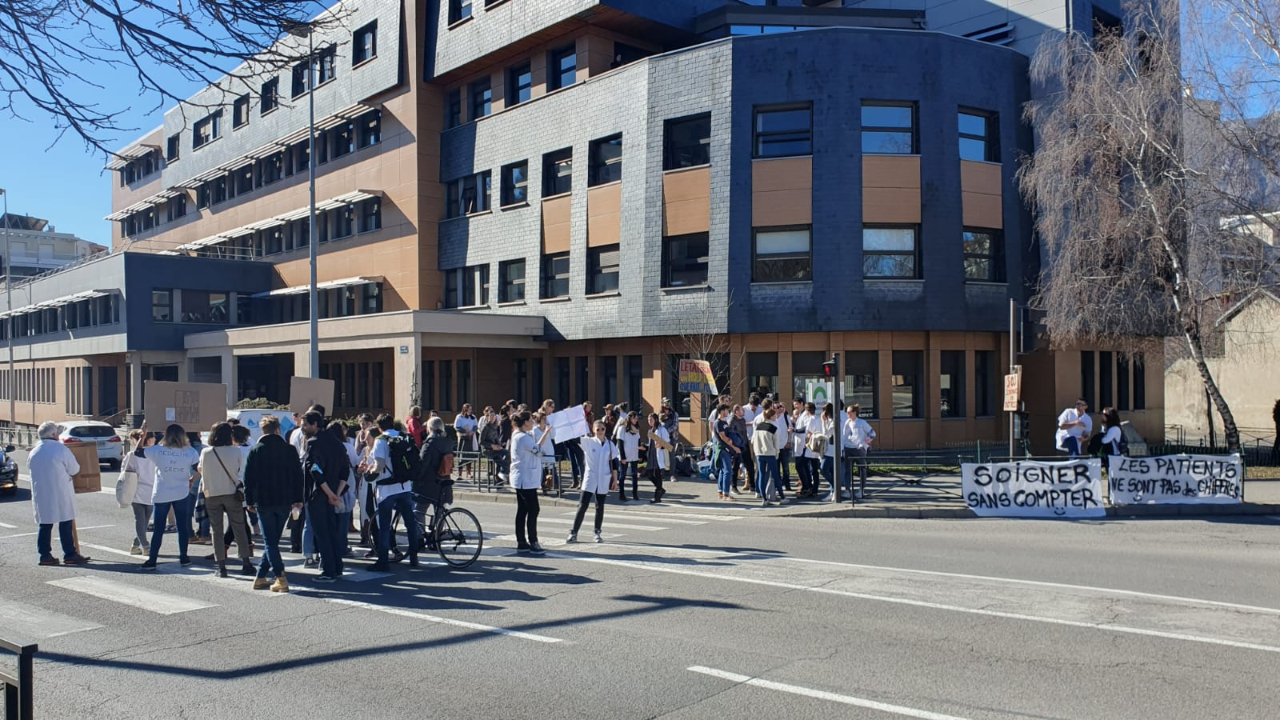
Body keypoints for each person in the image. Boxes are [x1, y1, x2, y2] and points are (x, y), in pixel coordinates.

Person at [244, 415, 303, 592]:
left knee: (270, 540)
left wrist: (249, 500)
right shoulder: (289, 449)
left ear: (262, 430)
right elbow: (297, 476)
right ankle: (261, 576)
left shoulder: (255, 450)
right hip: (285, 499)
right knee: (273, 540)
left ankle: (279, 576)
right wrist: (298, 498)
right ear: (278, 429)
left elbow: (249, 479)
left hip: (263, 500)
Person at [137, 422, 200, 571]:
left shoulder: (158, 450)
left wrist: (143, 435)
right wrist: (192, 480)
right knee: (182, 526)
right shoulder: (190, 451)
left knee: (158, 528)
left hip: (162, 492)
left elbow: (137, 452)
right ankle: (183, 557)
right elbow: (199, 468)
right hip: (181, 492)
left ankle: (152, 559)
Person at [30, 421, 90, 566]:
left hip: (42, 493)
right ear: (54, 435)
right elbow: (74, 469)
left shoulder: (34, 451)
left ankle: (44, 555)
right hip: (60, 491)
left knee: (45, 524)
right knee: (65, 522)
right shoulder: (60, 449)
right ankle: (69, 554)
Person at [303, 412, 352, 581]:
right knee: (332, 531)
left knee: (322, 533)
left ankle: (329, 570)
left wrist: (330, 494)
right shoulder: (337, 443)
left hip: (318, 494)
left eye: (306, 424)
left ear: (315, 424)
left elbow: (315, 470)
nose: (304, 427)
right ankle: (337, 566)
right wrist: (336, 494)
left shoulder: (313, 443)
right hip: (333, 492)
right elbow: (345, 469)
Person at [199, 422, 252, 578]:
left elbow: (202, 469)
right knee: (239, 527)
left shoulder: (206, 452)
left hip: (212, 493)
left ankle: (221, 566)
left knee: (216, 530)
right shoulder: (236, 451)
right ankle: (246, 563)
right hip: (231, 492)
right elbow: (239, 470)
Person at [369, 414, 420, 572]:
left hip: (387, 489)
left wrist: (368, 473)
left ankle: (383, 560)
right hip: (405, 486)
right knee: (410, 523)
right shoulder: (404, 437)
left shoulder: (380, 440)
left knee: (385, 526)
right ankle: (413, 556)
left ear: (379, 427)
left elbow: (379, 465)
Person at [568, 420, 618, 543]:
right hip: (590, 477)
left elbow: (615, 464)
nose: (600, 431)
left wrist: (615, 480)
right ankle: (573, 532)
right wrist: (575, 423)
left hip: (603, 477)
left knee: (599, 506)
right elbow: (573, 438)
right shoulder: (588, 442)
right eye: (598, 429)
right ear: (593, 431)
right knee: (582, 505)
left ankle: (597, 532)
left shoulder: (610, 444)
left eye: (602, 429)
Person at [509, 411, 545, 554]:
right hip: (525, 479)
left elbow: (536, 449)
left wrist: (546, 433)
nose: (533, 422)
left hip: (523, 478)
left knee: (523, 510)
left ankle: (522, 542)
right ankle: (533, 541)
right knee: (533, 509)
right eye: (531, 420)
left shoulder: (520, 436)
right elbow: (539, 451)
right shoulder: (523, 437)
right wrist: (546, 434)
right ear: (525, 422)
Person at [125, 429, 157, 556]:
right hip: (136, 489)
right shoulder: (133, 455)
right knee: (140, 518)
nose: (155, 439)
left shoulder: (154, 453)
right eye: (153, 437)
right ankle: (146, 546)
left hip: (150, 490)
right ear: (146, 439)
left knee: (145, 520)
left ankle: (135, 545)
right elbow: (125, 471)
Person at [838, 404, 876, 501]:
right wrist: (843, 448)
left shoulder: (862, 423)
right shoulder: (847, 422)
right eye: (847, 412)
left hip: (858, 449)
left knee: (862, 469)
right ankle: (847, 489)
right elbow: (844, 436)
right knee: (847, 470)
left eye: (850, 412)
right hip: (848, 448)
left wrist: (865, 442)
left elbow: (872, 433)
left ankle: (861, 489)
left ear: (855, 413)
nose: (848, 414)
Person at [752, 407, 782, 506]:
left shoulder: (758, 426)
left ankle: (764, 498)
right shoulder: (773, 428)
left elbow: (753, 440)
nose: (776, 416)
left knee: (761, 475)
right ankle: (782, 496)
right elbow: (776, 443)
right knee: (775, 475)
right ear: (771, 416)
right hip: (770, 453)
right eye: (775, 415)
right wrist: (776, 452)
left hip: (759, 453)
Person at [644, 412, 673, 502]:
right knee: (649, 474)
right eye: (648, 420)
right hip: (651, 455)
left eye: (651, 420)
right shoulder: (650, 431)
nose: (649, 421)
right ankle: (660, 489)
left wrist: (661, 445)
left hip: (659, 455)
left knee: (658, 475)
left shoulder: (661, 430)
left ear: (656, 420)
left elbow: (668, 444)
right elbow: (650, 444)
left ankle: (657, 496)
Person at [712, 405, 740, 501]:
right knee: (728, 471)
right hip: (722, 449)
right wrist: (735, 447)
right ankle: (726, 494)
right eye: (727, 410)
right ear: (722, 411)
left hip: (726, 449)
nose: (728, 411)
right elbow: (724, 437)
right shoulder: (718, 422)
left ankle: (721, 492)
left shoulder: (724, 422)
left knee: (723, 471)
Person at [613, 411, 641, 502]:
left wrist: (640, 455)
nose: (636, 420)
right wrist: (623, 457)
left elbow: (638, 442)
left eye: (637, 418)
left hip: (634, 455)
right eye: (634, 418)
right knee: (622, 475)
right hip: (624, 455)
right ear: (629, 419)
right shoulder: (622, 429)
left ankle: (635, 494)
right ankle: (621, 494)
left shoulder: (636, 430)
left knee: (634, 475)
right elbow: (620, 443)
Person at [534, 412, 558, 495]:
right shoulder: (535, 430)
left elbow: (553, 436)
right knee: (542, 470)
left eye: (546, 419)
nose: (545, 420)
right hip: (541, 452)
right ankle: (544, 486)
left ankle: (556, 485)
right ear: (539, 420)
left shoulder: (548, 428)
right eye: (543, 419)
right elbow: (534, 442)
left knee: (551, 469)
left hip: (549, 450)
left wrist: (551, 428)